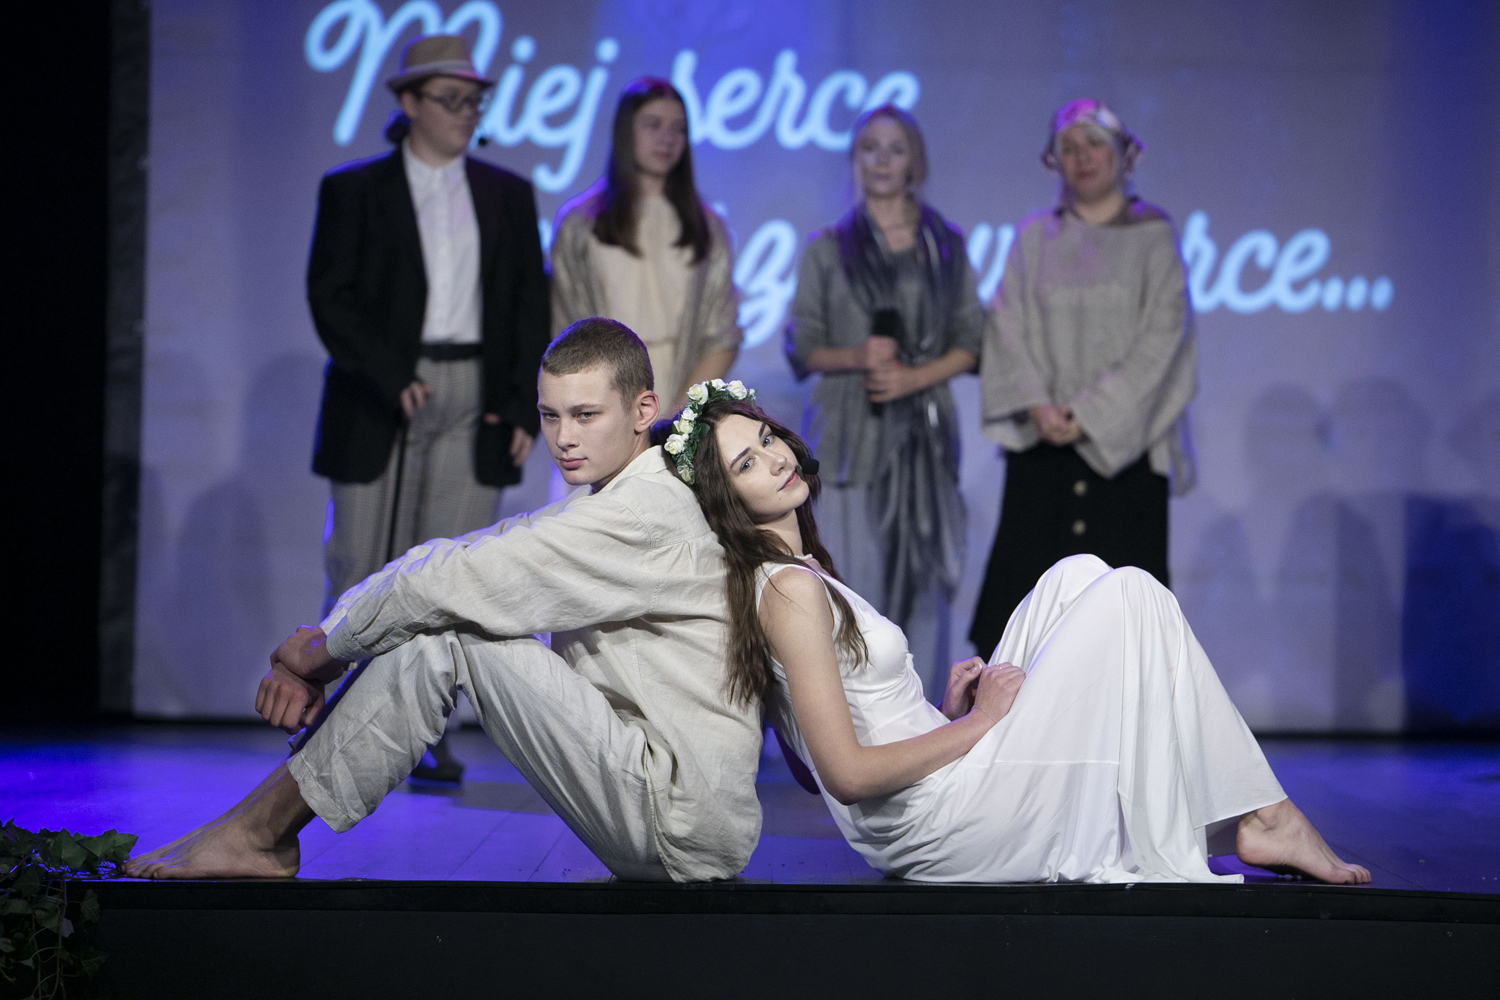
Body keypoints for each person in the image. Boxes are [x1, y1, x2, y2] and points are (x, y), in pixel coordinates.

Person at [125, 320, 763, 883]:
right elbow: (451, 554)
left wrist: (323, 654)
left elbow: (451, 581)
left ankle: (260, 833)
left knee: (452, 630)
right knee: (447, 607)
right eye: (549, 415)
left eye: (585, 415)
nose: (564, 438)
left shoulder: (644, 512)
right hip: (656, 795)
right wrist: (326, 637)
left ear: (644, 409)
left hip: (679, 820)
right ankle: (252, 828)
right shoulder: (612, 496)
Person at [661, 382, 1370, 884]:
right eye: (746, 464)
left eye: (766, 438)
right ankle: (1265, 815)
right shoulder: (788, 591)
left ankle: (1242, 815)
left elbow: (809, 765)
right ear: (726, 500)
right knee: (1134, 593)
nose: (776, 458)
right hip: (943, 825)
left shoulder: (796, 573)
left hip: (937, 786)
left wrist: (942, 716)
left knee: (1076, 572)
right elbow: (842, 776)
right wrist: (980, 725)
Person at [307, 35, 551, 781]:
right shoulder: (355, 190)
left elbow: (527, 307)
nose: (466, 113)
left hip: (473, 391)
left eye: (474, 101)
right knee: (361, 563)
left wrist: (521, 407)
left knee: (448, 574)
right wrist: (388, 374)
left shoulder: (506, 194)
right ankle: (334, 723)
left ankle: (423, 731)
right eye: (451, 100)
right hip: (381, 394)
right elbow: (331, 297)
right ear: (409, 102)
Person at [969, 99, 1196, 658]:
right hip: (1041, 449)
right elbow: (1007, 326)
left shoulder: (1154, 236)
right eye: (1068, 147)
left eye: (1094, 143)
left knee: (1123, 635)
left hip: (1126, 455)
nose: (1082, 157)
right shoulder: (1033, 238)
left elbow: (1163, 338)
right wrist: (1039, 407)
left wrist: (1091, 414)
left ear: (1124, 154)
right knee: (1023, 623)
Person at [783, 106, 984, 702]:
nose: (882, 160)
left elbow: (971, 341)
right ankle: (849, 725)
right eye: (870, 147)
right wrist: (860, 356)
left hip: (924, 434)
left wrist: (912, 378)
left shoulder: (945, 247)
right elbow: (802, 345)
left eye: (895, 148)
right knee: (852, 580)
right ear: (855, 158)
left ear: (915, 160)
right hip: (852, 431)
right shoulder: (828, 249)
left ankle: (927, 723)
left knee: (925, 585)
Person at [550, 78, 741, 415]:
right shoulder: (580, 223)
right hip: (600, 392)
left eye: (678, 129)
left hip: (680, 392)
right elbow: (564, 327)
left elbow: (722, 335)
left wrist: (680, 417)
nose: (667, 139)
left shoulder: (707, 226)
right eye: (653, 125)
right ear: (626, 131)